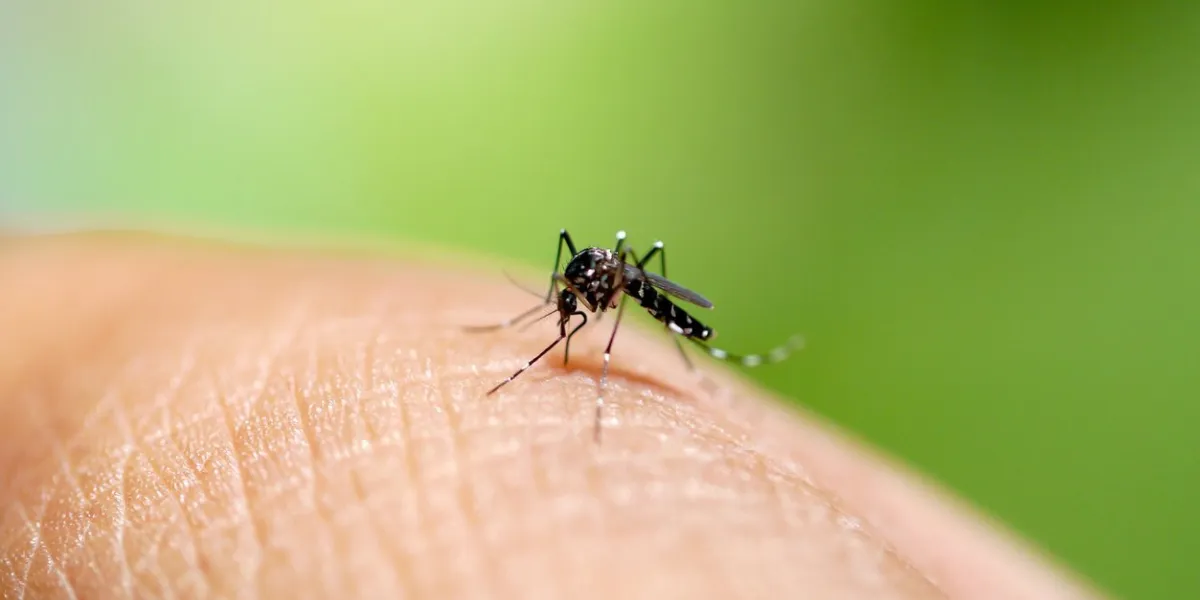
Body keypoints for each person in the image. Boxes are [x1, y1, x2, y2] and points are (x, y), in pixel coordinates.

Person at [0, 232, 1102, 599]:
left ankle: (677, 355)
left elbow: (615, 281)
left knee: (639, 291)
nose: (582, 291)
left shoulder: (619, 287)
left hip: (664, 321)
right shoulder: (582, 269)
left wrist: (602, 331)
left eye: (583, 290)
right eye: (580, 292)